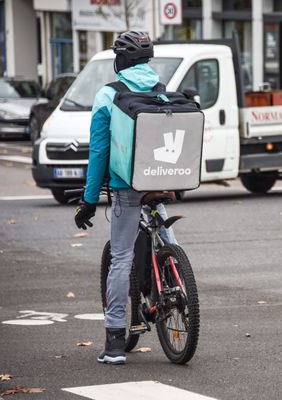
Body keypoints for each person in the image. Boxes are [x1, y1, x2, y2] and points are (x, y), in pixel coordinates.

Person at [74, 31, 176, 365]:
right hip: (161, 179)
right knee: (167, 239)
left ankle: (115, 342)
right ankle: (175, 278)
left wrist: (89, 200)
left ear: (120, 61)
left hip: (127, 187)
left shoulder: (108, 96)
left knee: (120, 257)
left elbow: (99, 152)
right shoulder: (162, 92)